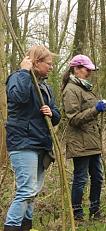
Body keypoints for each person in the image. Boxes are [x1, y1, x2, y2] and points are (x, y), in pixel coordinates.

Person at [4, 45, 61, 231]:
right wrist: (23, 72)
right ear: (36, 62)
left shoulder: (45, 86)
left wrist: (51, 112)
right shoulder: (17, 78)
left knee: (33, 192)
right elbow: (17, 97)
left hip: (41, 144)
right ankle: (11, 226)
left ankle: (26, 226)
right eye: (49, 63)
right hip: (23, 142)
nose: (51, 67)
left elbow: (57, 116)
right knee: (26, 190)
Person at [61, 54, 106, 221]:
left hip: (93, 141)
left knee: (98, 177)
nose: (90, 72)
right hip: (80, 143)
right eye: (87, 69)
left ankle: (95, 212)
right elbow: (73, 119)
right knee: (81, 179)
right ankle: (77, 215)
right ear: (76, 69)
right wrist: (96, 109)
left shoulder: (85, 87)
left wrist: (98, 108)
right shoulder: (70, 90)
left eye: (90, 70)